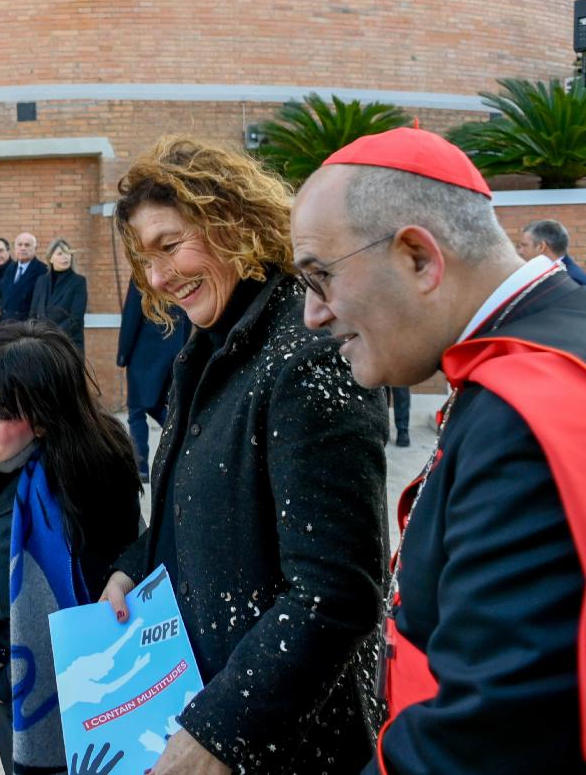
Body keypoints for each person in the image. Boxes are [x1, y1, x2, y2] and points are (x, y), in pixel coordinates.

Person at [291, 126, 586, 774]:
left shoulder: (523, 411)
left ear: (418, 257)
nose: (313, 313)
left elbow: (492, 738)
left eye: (320, 277)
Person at [98, 136, 389, 775]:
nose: (158, 278)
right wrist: (133, 564)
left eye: (170, 246)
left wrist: (217, 734)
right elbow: (191, 506)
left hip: (290, 746)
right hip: (205, 700)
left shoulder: (306, 352)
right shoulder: (200, 354)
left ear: (235, 223)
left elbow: (338, 589)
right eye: (145, 260)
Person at [0, 322, 142, 774]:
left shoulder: (86, 488)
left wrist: (7, 683)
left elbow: (103, 628)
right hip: (4, 688)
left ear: (41, 419)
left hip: (60, 710)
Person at [114, 278, 187, 480]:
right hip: (172, 350)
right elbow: (188, 315)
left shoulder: (142, 272)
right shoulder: (177, 268)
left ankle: (141, 467)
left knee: (137, 411)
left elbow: (131, 316)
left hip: (142, 354)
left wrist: (123, 355)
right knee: (159, 407)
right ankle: (184, 444)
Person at [27, 239, 88, 355]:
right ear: (50, 258)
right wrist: (35, 336)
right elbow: (33, 314)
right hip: (41, 346)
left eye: (68, 253)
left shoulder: (78, 282)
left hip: (67, 346)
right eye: (60, 253)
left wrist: (51, 336)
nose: (65, 257)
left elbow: (75, 319)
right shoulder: (41, 281)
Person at [516, 218, 586, 290]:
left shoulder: (570, 281)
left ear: (541, 246)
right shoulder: (559, 276)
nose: (520, 252)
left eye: (524, 245)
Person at [0, 232, 46, 324]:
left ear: (35, 248)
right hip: (5, 326)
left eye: (27, 245)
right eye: (19, 245)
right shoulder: (9, 269)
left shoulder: (42, 271)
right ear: (15, 248)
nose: (23, 248)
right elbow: (3, 296)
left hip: (26, 327)